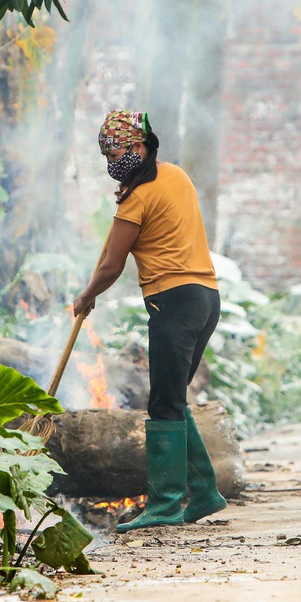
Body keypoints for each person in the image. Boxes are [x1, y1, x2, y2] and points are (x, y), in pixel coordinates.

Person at [72, 109, 228, 533]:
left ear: (140, 147)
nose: (112, 162)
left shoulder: (135, 200)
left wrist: (86, 297)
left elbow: (111, 266)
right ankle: (205, 491)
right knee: (173, 398)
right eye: (107, 156)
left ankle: (164, 503)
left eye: (119, 152)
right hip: (206, 298)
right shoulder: (175, 175)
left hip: (173, 301)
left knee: (162, 402)